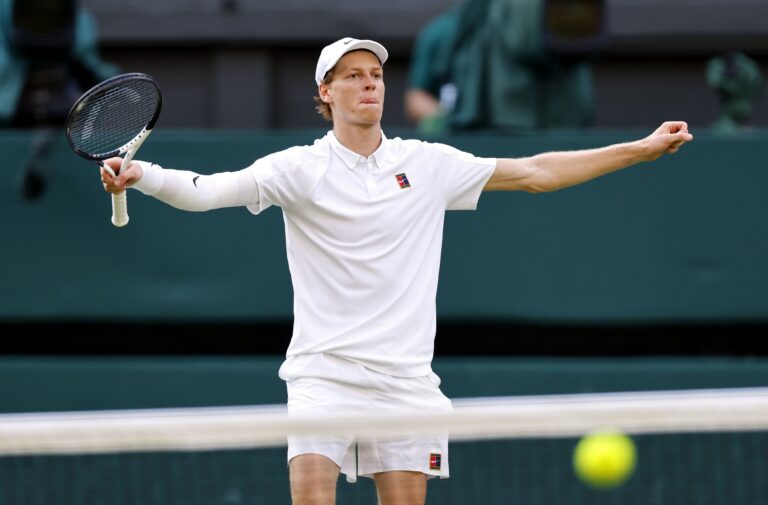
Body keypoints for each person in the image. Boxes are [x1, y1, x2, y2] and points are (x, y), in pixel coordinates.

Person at [99, 37, 693, 505]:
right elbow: (206, 191)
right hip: (322, 375)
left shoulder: (427, 164)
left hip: (405, 382)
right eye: (353, 76)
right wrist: (142, 175)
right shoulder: (298, 168)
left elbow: (537, 172)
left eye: (376, 75)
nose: (369, 84)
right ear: (326, 93)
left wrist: (637, 150)